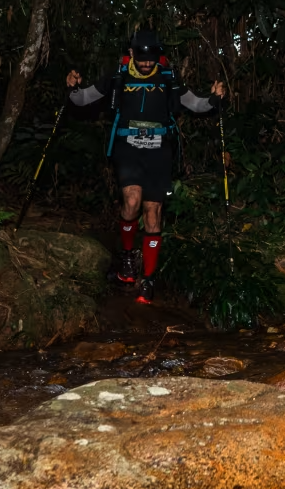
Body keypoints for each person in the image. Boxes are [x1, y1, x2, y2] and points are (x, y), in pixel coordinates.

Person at [66, 31, 226, 304]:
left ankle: (148, 279)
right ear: (133, 54)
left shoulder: (167, 77)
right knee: (131, 201)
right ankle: (127, 261)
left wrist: (214, 98)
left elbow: (196, 104)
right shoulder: (119, 75)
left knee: (153, 213)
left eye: (150, 60)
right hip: (127, 147)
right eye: (141, 59)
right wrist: (72, 86)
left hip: (159, 151)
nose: (146, 64)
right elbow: (82, 99)